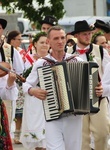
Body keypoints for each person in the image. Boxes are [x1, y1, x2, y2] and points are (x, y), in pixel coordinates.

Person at [22, 26, 103, 150]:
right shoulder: (42, 63)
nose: (60, 41)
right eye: (56, 38)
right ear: (49, 42)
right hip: (53, 115)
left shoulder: (77, 60)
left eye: (62, 38)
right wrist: (32, 90)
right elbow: (26, 85)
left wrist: (97, 91)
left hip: (74, 117)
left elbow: (93, 87)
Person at [67, 20, 110, 150]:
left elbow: (107, 74)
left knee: (102, 132)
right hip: (77, 100)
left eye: (90, 33)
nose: (88, 36)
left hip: (98, 98)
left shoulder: (101, 51)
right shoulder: (67, 52)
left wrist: (103, 89)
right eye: (85, 34)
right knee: (82, 137)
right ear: (77, 36)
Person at [20, 32, 49, 150]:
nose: (44, 45)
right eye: (41, 42)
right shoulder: (27, 59)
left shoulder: (52, 59)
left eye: (47, 42)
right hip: (34, 98)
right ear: (35, 44)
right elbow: (22, 79)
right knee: (35, 131)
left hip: (48, 96)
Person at [7, 30, 25, 144]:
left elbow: (21, 70)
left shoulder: (16, 52)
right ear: (12, 40)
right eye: (18, 39)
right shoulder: (7, 50)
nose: (20, 41)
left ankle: (14, 135)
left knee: (14, 112)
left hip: (13, 85)